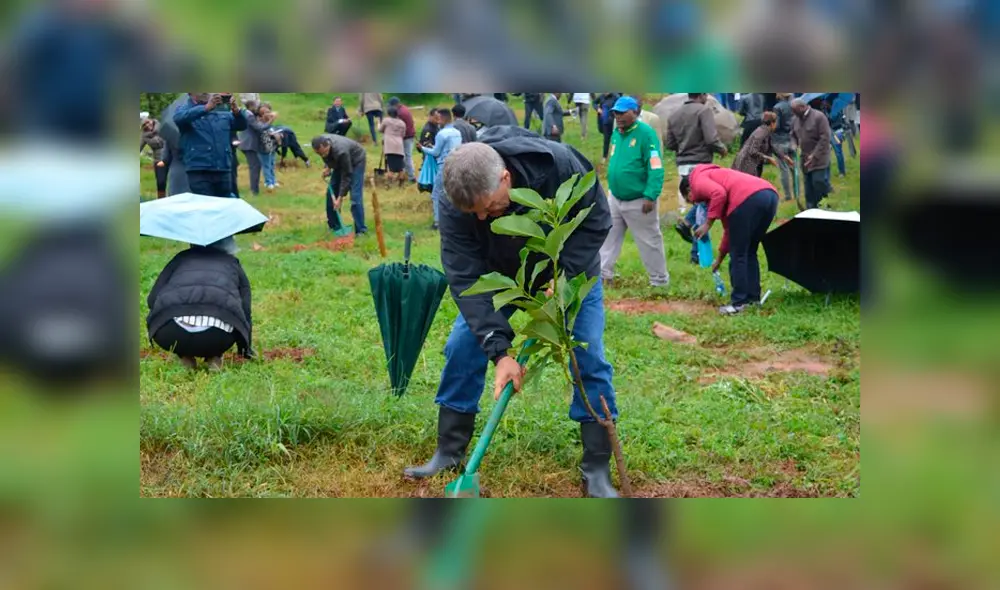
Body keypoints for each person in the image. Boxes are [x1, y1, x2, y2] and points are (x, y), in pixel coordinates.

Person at [403, 132, 620, 498]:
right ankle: (449, 452)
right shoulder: (453, 196)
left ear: (505, 178)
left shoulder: (560, 165)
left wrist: (566, 275)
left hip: (564, 273)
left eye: (489, 207)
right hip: (501, 278)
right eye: (476, 214)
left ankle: (596, 469)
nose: (485, 217)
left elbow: (596, 220)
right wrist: (500, 352)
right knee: (461, 347)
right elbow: (464, 274)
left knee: (587, 355)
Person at [681, 165, 779, 315]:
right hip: (769, 196)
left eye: (691, 200)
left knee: (738, 254)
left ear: (689, 190)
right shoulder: (721, 183)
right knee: (749, 251)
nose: (696, 203)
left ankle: (738, 303)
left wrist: (707, 223)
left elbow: (718, 193)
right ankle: (753, 299)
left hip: (748, 198)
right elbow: (729, 231)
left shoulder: (697, 180)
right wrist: (719, 259)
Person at [599, 96, 669, 289]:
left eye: (622, 113)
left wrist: (650, 195)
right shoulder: (616, 133)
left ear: (635, 113)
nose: (618, 116)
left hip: (639, 200)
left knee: (649, 241)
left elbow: (655, 166)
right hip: (615, 197)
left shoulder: (646, 134)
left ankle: (659, 281)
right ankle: (604, 275)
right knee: (608, 237)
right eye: (615, 113)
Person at [146, 244, 254, 370]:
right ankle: (214, 356)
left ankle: (184, 355)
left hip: (171, 333)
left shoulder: (180, 258)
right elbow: (245, 310)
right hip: (217, 336)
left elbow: (152, 299)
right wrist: (245, 349)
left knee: (177, 326)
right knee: (225, 318)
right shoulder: (231, 263)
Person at [173, 93, 248, 200]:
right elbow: (179, 119)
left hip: (222, 167)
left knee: (224, 204)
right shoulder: (185, 108)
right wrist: (205, 108)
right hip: (199, 168)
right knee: (205, 205)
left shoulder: (222, 109)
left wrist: (237, 112)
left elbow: (242, 125)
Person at [664, 93, 728, 214]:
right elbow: (711, 139)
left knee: (686, 199)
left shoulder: (674, 114)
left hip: (683, 163)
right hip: (701, 162)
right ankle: (699, 230)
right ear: (702, 95)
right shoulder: (704, 111)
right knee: (702, 202)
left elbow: (670, 144)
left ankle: (685, 223)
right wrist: (722, 149)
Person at [311, 134, 369, 235]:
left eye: (323, 153)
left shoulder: (341, 151)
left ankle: (361, 231)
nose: (321, 156)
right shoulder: (322, 143)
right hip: (340, 161)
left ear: (326, 146)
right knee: (331, 193)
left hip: (356, 161)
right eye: (319, 154)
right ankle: (335, 227)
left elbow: (347, 175)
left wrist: (340, 198)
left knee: (355, 197)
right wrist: (328, 167)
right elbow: (327, 157)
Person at [420, 108, 462, 230]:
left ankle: (437, 222)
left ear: (443, 118)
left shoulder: (442, 134)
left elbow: (436, 152)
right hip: (456, 163)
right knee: (452, 193)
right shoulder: (457, 132)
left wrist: (423, 148)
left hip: (444, 165)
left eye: (438, 118)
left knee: (436, 194)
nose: (437, 121)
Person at [791, 98, 832, 209]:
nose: (793, 114)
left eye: (794, 111)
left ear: (802, 107)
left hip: (819, 157)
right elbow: (793, 135)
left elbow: (825, 138)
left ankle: (825, 204)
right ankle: (811, 208)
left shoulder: (819, 117)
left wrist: (814, 154)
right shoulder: (796, 119)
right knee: (808, 188)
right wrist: (794, 145)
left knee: (818, 182)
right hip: (804, 159)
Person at [731, 111, 792, 177]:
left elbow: (771, 146)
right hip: (746, 165)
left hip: (751, 165)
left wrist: (784, 156)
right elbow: (752, 151)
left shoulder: (766, 131)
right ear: (772, 123)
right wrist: (768, 158)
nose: (776, 125)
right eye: (776, 122)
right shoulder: (762, 133)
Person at [237, 98, 267, 197]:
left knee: (255, 166)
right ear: (251, 107)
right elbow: (258, 128)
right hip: (248, 144)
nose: (257, 108)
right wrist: (270, 121)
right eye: (256, 106)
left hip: (247, 144)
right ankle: (254, 190)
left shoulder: (247, 114)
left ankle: (255, 189)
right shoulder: (249, 116)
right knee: (255, 166)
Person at [771, 92, 796, 202]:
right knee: (793, 167)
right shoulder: (793, 105)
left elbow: (777, 126)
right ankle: (797, 192)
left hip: (780, 140)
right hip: (792, 139)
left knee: (784, 169)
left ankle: (787, 195)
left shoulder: (777, 107)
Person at [387, 97, 417, 182]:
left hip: (406, 137)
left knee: (406, 157)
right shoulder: (404, 108)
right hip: (410, 135)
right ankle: (407, 175)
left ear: (395, 105)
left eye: (391, 106)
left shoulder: (400, 113)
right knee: (406, 156)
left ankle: (411, 177)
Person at [378, 106, 407, 188]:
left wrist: (378, 123)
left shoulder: (386, 121)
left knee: (391, 167)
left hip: (390, 147)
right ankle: (401, 184)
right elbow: (403, 135)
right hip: (399, 146)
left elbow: (380, 130)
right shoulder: (402, 123)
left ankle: (388, 184)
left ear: (388, 113)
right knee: (400, 167)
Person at [255, 102, 280, 191]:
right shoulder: (258, 122)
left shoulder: (269, 123)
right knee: (266, 165)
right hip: (263, 148)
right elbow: (262, 130)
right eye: (265, 112)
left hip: (272, 147)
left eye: (269, 111)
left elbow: (271, 129)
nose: (268, 114)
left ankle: (273, 180)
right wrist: (271, 120)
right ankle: (268, 182)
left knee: (272, 164)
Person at [140, 118, 168, 198]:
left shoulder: (162, 127)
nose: (147, 125)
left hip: (170, 156)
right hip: (158, 159)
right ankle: (161, 200)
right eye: (144, 125)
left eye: (147, 122)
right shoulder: (144, 135)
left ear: (151, 120)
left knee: (176, 180)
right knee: (160, 182)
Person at [823, 99, 848, 179]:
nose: (824, 103)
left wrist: (826, 115)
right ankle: (827, 173)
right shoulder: (825, 108)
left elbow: (832, 118)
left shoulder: (836, 107)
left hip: (837, 131)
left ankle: (842, 172)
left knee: (838, 152)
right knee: (827, 153)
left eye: (825, 102)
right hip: (829, 131)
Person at [595, 92, 620, 163]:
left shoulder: (616, 97)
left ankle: (615, 156)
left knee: (615, 138)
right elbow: (594, 103)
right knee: (606, 139)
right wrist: (597, 109)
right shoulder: (601, 96)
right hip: (605, 122)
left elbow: (620, 106)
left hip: (614, 121)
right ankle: (604, 157)